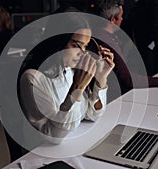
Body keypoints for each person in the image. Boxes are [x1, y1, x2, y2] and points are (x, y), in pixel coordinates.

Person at [19, 12, 115, 143]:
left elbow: (92, 114)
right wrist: (76, 89)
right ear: (58, 40)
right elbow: (53, 137)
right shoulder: (32, 78)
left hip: (74, 145)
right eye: (76, 46)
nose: (82, 53)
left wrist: (101, 78)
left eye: (85, 46)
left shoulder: (70, 70)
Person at [94, 0, 158, 95]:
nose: (122, 19)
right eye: (121, 17)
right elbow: (128, 79)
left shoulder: (102, 35)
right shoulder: (107, 41)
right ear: (112, 20)